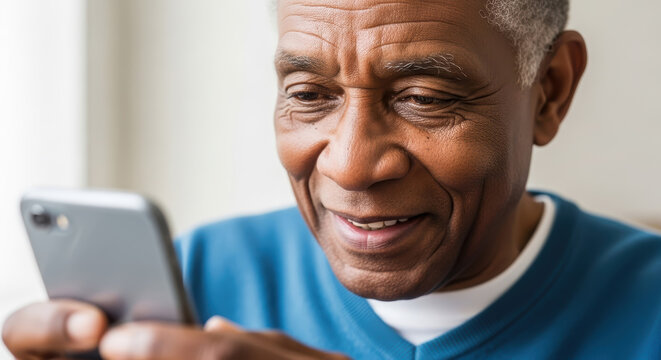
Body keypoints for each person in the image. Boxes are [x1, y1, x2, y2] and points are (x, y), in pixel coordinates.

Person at [3, 0, 660, 359]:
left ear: (548, 91)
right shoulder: (199, 279)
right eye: (310, 93)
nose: (349, 164)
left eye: (425, 97)